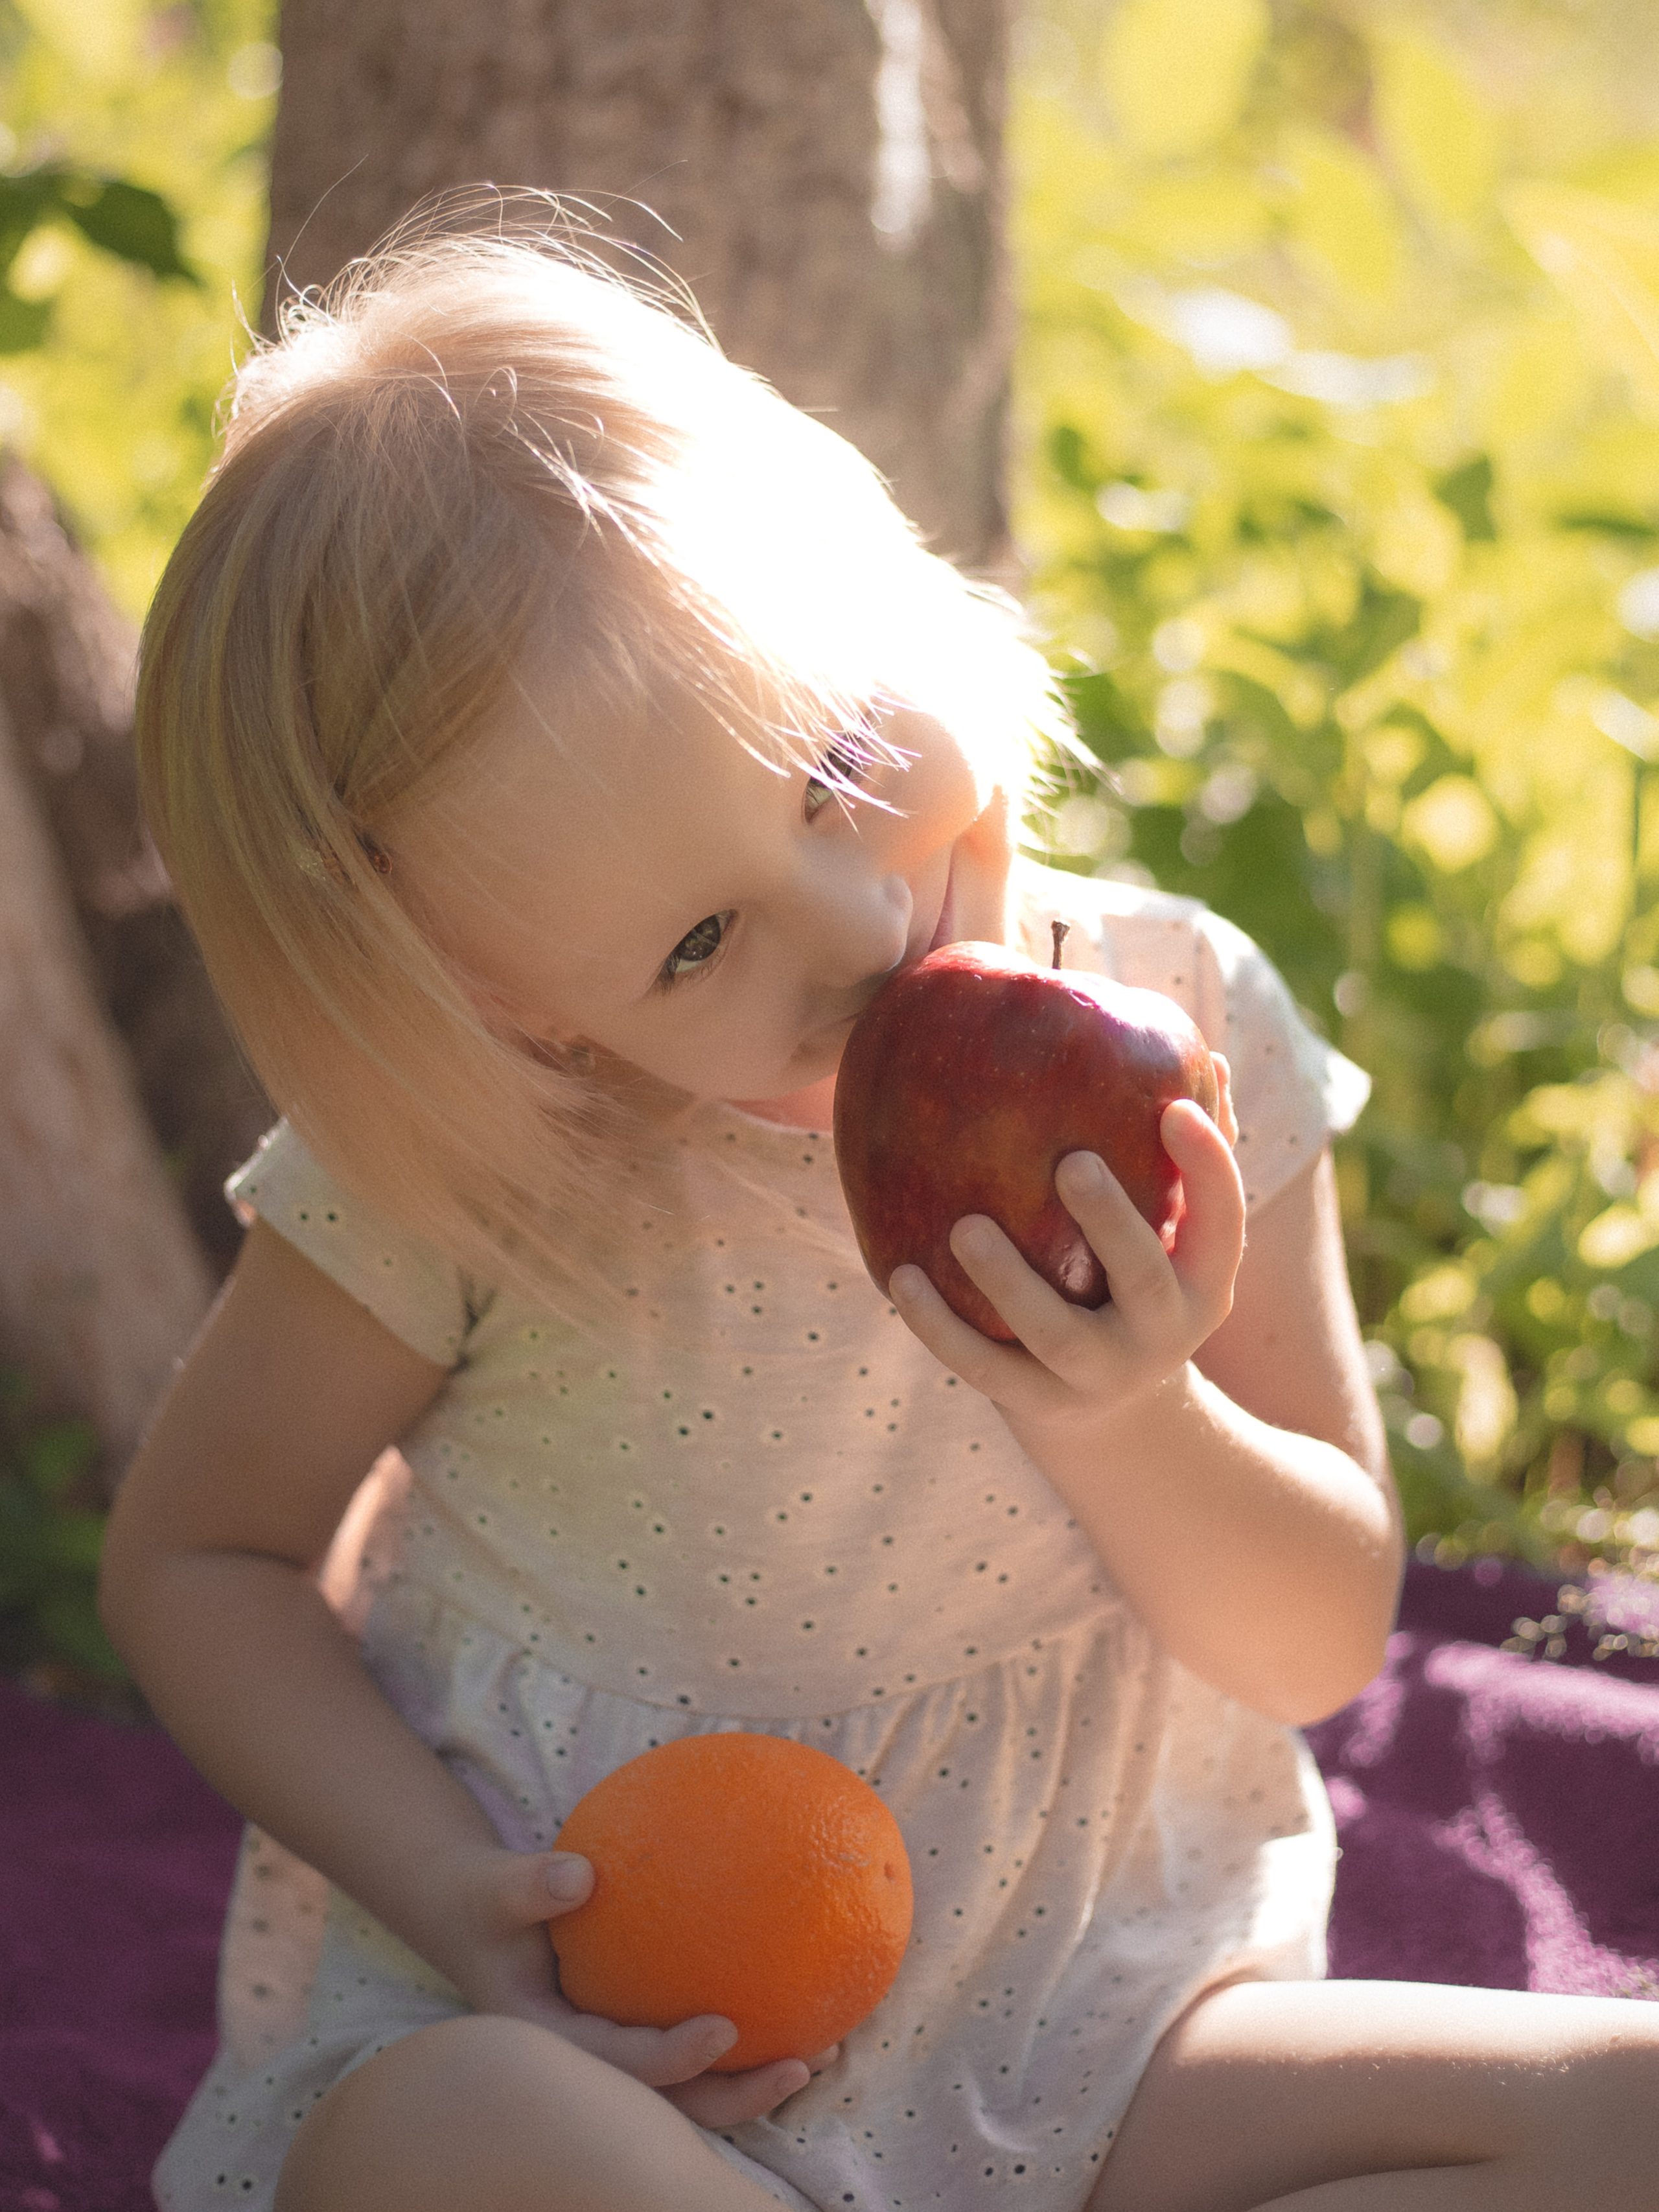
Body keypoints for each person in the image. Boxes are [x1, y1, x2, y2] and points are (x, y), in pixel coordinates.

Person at [101, 218, 1658, 2212]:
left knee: (1631, 2103)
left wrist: (1123, 1413)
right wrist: (462, 1898)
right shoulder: (485, 1167)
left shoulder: (1182, 1034)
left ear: (890, 572)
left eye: (837, 759)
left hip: (1105, 2027)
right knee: (445, 2137)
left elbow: (1314, 1639)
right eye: (692, 944)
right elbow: (206, 1559)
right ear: (516, 1016)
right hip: (646, 2078)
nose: (858, 929)